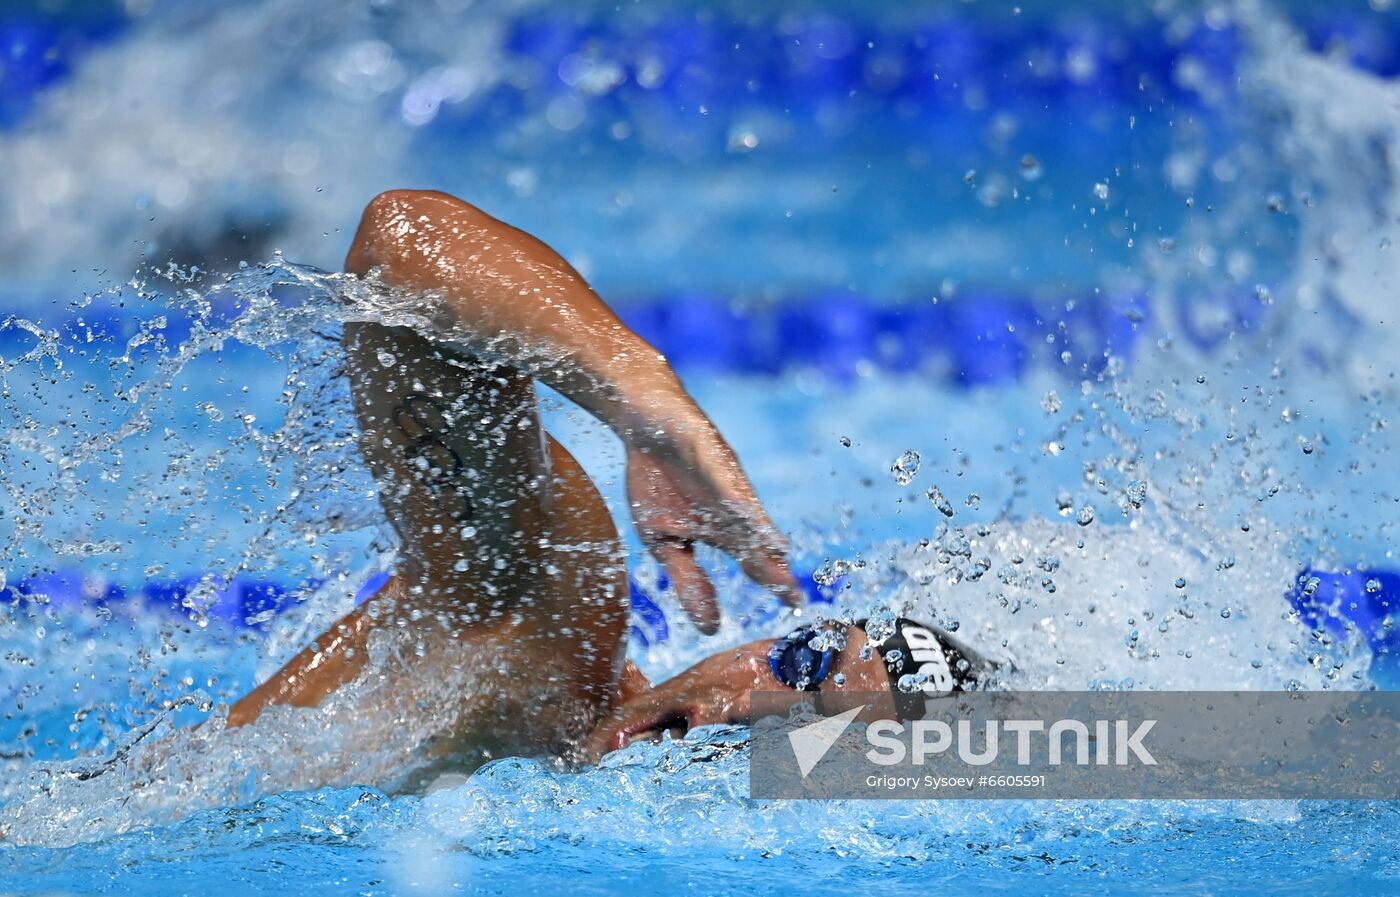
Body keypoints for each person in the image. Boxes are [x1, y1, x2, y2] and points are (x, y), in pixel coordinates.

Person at [224, 190, 987, 778]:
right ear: (760, 639)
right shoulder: (547, 642)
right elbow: (400, 240)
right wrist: (641, 393)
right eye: (800, 666)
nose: (731, 713)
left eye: (808, 734)